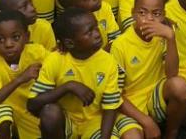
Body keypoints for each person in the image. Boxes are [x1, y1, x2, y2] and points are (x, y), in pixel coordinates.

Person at [27, 8, 125, 139]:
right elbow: (33, 105)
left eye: (96, 27)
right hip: (66, 121)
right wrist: (68, 86)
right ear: (69, 43)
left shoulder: (109, 61)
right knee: (50, 112)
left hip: (95, 121)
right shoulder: (55, 59)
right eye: (89, 32)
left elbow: (110, 106)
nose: (97, 33)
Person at [111, 0, 186, 139]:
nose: (149, 19)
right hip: (130, 103)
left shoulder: (162, 35)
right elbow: (116, 95)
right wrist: (146, 121)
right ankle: (147, 125)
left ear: (163, 15)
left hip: (154, 95)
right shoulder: (120, 45)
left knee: (179, 85)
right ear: (133, 13)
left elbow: (172, 74)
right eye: (142, 13)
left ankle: (171, 133)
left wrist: (171, 38)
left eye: (156, 14)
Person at [0, 10, 48, 139]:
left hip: (31, 115)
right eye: (0, 39)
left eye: (16, 37)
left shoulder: (37, 52)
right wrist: (20, 79)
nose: (8, 44)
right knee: (2, 114)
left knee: (52, 110)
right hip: (4, 118)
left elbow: (61, 67)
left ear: (27, 36)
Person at [57, 0, 121, 50]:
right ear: (74, 7)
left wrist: (101, 55)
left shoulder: (104, 8)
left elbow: (115, 38)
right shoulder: (68, 24)